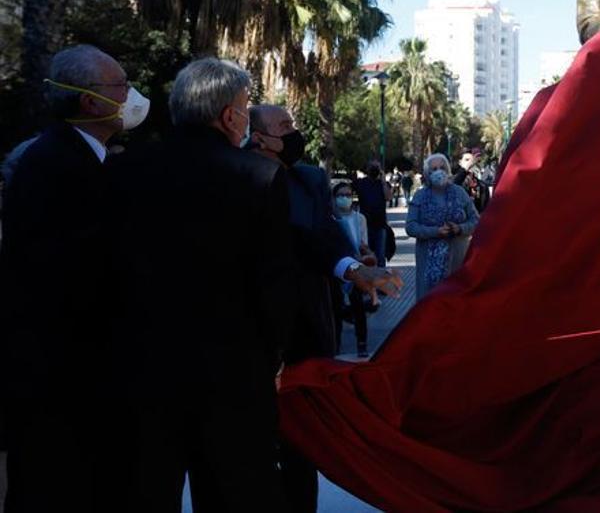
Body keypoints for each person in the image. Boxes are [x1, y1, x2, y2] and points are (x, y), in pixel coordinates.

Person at [106, 59, 400, 511]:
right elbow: (273, 281)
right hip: (234, 376)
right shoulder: (259, 178)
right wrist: (272, 357)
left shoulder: (124, 170)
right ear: (229, 116)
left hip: (143, 372)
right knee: (233, 491)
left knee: (148, 490)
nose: (244, 117)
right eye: (244, 108)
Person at [0, 45, 147, 511]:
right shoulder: (60, 166)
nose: (132, 95)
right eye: (121, 85)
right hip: (67, 385)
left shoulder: (78, 158)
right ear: (90, 102)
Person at [249, 104, 401, 512]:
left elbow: (323, 235)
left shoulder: (309, 179)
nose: (294, 133)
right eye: (284, 127)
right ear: (257, 136)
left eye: (293, 125)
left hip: (309, 324)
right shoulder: (234, 176)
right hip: (255, 334)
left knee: (304, 441)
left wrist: (356, 262)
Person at [406, 153, 480, 301]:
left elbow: (476, 221)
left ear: (447, 170)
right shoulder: (420, 196)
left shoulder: (459, 193)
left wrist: (460, 228)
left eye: (442, 168)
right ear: (427, 173)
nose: (439, 171)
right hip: (428, 265)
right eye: (434, 169)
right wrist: (435, 231)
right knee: (429, 306)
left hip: (456, 262)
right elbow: (411, 226)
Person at [332, 181, 372, 356]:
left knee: (358, 307)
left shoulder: (359, 218)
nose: (345, 198)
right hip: (336, 268)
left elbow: (363, 242)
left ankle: (361, 343)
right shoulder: (330, 219)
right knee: (336, 307)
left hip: (356, 266)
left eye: (348, 195)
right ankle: (335, 344)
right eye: (341, 195)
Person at [354, 160, 391, 266]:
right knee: (366, 256)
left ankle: (381, 279)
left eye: (377, 167)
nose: (374, 169)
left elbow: (388, 197)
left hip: (380, 225)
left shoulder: (383, 184)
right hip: (364, 226)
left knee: (380, 256)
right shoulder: (361, 183)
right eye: (372, 166)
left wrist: (384, 181)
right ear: (367, 169)